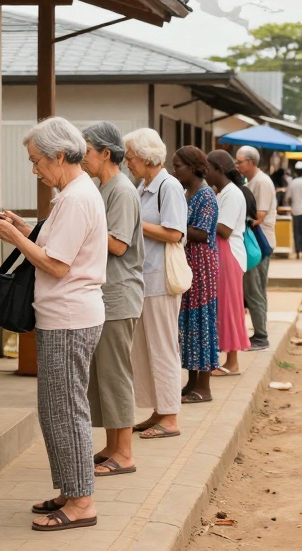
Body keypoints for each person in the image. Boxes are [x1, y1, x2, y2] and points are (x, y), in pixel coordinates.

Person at [0, 117, 106, 532]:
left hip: (69, 317)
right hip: (66, 316)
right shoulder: (74, 195)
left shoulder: (76, 198)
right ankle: (70, 489)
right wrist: (24, 230)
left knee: (66, 410)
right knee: (55, 408)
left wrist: (16, 238)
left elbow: (56, 264)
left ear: (60, 155)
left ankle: (81, 502)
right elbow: (57, 248)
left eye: (37, 160)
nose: (35, 169)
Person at [80, 123, 144, 478]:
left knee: (116, 373)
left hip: (119, 295)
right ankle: (113, 446)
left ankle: (125, 452)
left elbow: (118, 244)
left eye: (87, 150)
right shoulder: (103, 187)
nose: (83, 158)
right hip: (107, 294)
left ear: (106, 152)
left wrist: (82, 227)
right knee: (102, 373)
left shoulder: (121, 190)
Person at [122, 128, 186, 441]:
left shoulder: (168, 187)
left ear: (147, 158)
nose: (127, 162)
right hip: (143, 277)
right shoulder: (143, 186)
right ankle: (159, 411)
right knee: (145, 351)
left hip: (160, 278)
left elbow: (175, 233)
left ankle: (170, 416)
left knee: (162, 348)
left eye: (130, 157)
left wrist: (135, 224)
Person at [172, 146, 221, 404]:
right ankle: (191, 382)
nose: (174, 170)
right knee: (189, 325)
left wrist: (171, 228)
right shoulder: (185, 192)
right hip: (188, 266)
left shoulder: (206, 196)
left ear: (192, 167)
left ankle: (204, 387)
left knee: (202, 324)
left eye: (178, 165)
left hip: (202, 268)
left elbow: (201, 233)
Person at [206, 150, 252, 376]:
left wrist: (202, 220)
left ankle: (232, 362)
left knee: (230, 308)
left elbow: (224, 229)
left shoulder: (232, 194)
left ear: (219, 170)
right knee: (222, 307)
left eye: (208, 169)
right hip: (223, 255)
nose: (205, 173)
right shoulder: (223, 192)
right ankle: (225, 358)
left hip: (229, 254)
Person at [235, 146, 275, 350]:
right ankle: (259, 332)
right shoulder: (252, 181)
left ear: (251, 162)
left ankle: (261, 336)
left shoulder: (261, 182)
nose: (237, 165)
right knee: (253, 290)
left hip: (259, 243)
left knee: (254, 291)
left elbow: (259, 216)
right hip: (255, 243)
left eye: (239, 162)